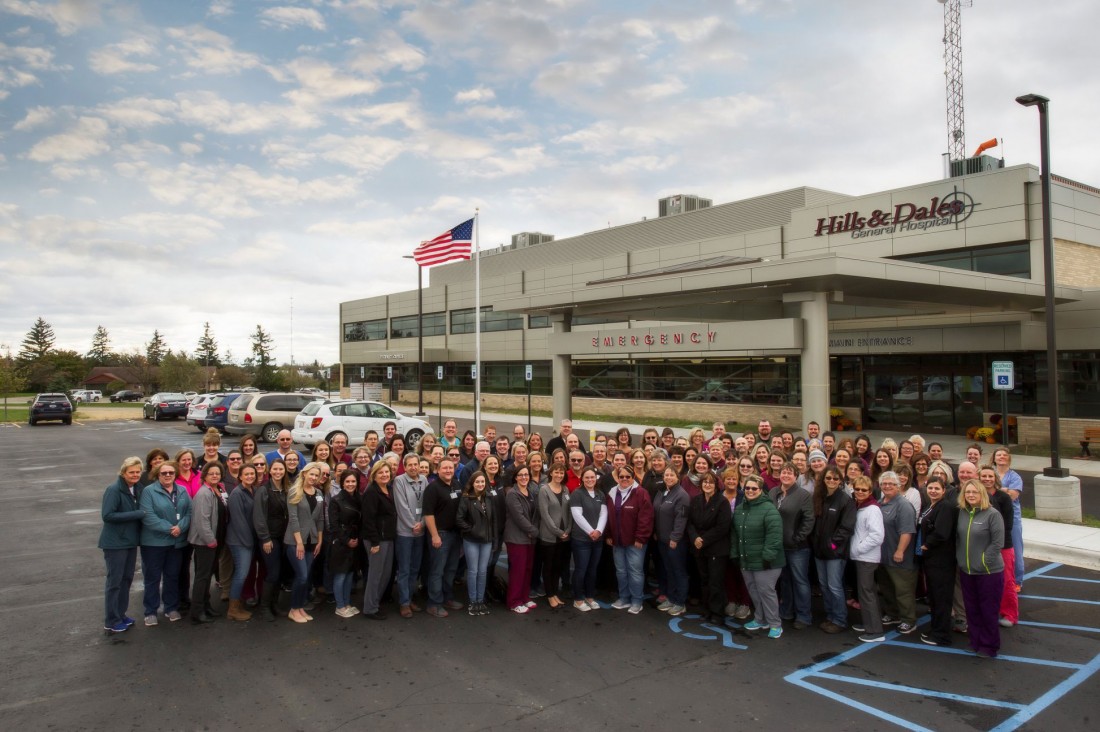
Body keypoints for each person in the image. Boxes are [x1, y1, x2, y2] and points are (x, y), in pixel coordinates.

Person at [730, 475, 785, 639]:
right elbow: (735, 535)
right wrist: (735, 554)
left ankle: (775, 624)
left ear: (761, 490)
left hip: (767, 562)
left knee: (766, 592)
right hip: (746, 560)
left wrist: (768, 557)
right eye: (747, 488)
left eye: (754, 488)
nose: (750, 491)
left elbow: (774, 536)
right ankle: (760, 619)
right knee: (754, 591)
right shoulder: (740, 509)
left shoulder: (769, 510)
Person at [956, 479, 1006, 658]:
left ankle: (989, 645)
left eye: (974, 492)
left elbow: (998, 542)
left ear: (982, 494)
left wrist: (985, 561)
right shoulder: (962, 513)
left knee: (988, 610)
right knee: (972, 608)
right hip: (967, 570)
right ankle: (974, 641)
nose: (970, 495)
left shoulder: (992, 514)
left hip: (989, 572)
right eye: (967, 492)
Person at [139, 459, 191, 626]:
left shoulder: (182, 490)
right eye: (164, 473)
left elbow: (189, 513)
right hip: (154, 544)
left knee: (172, 576)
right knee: (152, 577)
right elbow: (148, 516)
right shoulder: (148, 491)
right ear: (157, 474)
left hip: (176, 543)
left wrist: (180, 527)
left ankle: (171, 607)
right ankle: (151, 611)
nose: (168, 475)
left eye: (171, 473)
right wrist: (170, 528)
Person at [99, 457, 146, 633]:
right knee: (115, 582)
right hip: (115, 543)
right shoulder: (113, 490)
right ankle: (111, 620)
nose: (135, 475)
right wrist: (136, 514)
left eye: (137, 472)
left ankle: (121, 613)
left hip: (130, 542)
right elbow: (108, 515)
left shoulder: (138, 488)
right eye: (131, 472)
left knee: (127, 580)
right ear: (123, 472)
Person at [811, 466, 855, 633]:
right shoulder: (819, 498)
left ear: (840, 481)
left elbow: (847, 527)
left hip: (835, 553)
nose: (831, 481)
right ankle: (830, 616)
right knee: (824, 585)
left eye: (835, 479)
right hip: (819, 552)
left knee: (835, 586)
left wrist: (833, 545)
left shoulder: (845, 500)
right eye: (828, 478)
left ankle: (840, 619)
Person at [770, 461, 814, 630]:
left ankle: (804, 615)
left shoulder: (803, 495)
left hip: (797, 548)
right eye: (783, 472)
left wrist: (797, 538)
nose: (786, 475)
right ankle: (786, 611)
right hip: (778, 546)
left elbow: (809, 520)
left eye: (790, 473)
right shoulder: (774, 492)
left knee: (800, 581)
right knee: (785, 580)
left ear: (796, 476)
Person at [605, 466, 654, 615]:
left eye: (628, 476)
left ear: (633, 477)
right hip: (617, 540)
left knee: (635, 572)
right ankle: (624, 597)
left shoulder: (641, 493)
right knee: (621, 571)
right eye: (621, 477)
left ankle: (637, 601)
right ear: (617, 478)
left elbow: (646, 518)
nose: (624, 479)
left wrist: (641, 537)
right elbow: (608, 516)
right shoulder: (612, 493)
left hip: (635, 542)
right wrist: (608, 534)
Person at [876, 471, 918, 634]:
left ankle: (908, 620)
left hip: (899, 557)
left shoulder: (903, 505)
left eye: (891, 484)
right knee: (887, 588)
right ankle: (892, 614)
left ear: (898, 486)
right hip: (882, 555)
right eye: (884, 484)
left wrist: (900, 550)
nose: (887, 486)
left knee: (903, 590)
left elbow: (907, 531)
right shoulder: (880, 503)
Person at [917, 476, 957, 646]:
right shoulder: (930, 505)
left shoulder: (946, 507)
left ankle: (942, 634)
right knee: (934, 596)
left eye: (937, 488)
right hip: (931, 560)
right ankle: (935, 628)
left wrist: (926, 545)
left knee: (941, 597)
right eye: (930, 488)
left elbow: (942, 532)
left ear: (944, 490)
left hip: (941, 560)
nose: (933, 491)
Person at [688, 470, 731, 623]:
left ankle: (717, 613)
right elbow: (690, 523)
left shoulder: (722, 502)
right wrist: (695, 538)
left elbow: (722, 527)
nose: (707, 485)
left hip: (716, 549)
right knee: (704, 580)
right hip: (699, 548)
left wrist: (703, 540)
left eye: (710, 482)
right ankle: (707, 609)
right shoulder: (696, 500)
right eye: (705, 482)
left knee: (715, 582)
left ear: (716, 485)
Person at [284, 462, 326, 624]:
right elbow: (293, 519)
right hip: (295, 542)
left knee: (306, 577)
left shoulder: (319, 493)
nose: (314, 478)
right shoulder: (295, 492)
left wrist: (320, 540)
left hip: (312, 540)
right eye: (312, 474)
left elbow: (320, 519)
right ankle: (293, 609)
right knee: (301, 576)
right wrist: (299, 542)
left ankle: (300, 607)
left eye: (316, 475)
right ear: (304, 474)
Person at [188, 462, 229, 624]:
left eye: (217, 473)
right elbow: (201, 520)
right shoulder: (204, 493)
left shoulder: (218, 489)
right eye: (211, 473)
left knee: (208, 575)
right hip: (206, 542)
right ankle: (197, 611)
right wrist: (210, 540)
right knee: (202, 577)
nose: (214, 476)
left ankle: (206, 606)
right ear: (204, 475)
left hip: (217, 539)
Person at [423, 459, 464, 617]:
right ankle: (434, 603)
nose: (448, 470)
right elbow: (428, 514)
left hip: (455, 534)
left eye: (451, 467)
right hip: (440, 535)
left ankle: (447, 597)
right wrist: (434, 535)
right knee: (437, 571)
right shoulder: (432, 488)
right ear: (437, 470)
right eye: (444, 468)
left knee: (451, 568)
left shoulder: (457, 485)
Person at [978, 466, 1018, 629]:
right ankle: (990, 611)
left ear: (995, 478)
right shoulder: (977, 496)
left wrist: (996, 542)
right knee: (986, 581)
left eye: (990, 476)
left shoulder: (1003, 497)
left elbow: (1008, 524)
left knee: (1007, 580)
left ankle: (1010, 614)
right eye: (983, 476)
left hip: (1003, 545)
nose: (987, 479)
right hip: (982, 545)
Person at [848, 476, 885, 643]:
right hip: (861, 556)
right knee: (866, 593)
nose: (860, 492)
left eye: (864, 490)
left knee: (867, 593)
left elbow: (877, 536)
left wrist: (858, 548)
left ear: (870, 492)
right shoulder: (860, 506)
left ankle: (875, 630)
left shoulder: (872, 509)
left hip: (867, 558)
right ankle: (868, 623)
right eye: (857, 489)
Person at [252, 455, 289, 622]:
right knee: (272, 572)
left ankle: (274, 604)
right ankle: (264, 607)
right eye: (275, 469)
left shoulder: (286, 489)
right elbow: (258, 517)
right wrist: (265, 538)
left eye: (281, 469)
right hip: (270, 538)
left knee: (280, 572)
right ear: (269, 470)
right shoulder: (263, 490)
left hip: (284, 537)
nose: (278, 472)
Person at [392, 453, 428, 618]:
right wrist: (413, 525)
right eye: (410, 465)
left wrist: (422, 524)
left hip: (420, 531)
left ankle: (410, 597)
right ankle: (404, 603)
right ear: (405, 467)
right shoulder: (399, 481)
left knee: (415, 568)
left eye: (416, 464)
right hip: (405, 533)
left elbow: (427, 504)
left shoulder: (424, 480)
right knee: (404, 569)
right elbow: (402, 506)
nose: (414, 467)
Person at [361, 459, 397, 620]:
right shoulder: (371, 492)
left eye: (386, 472)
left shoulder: (388, 489)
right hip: (376, 540)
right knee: (375, 575)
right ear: (374, 475)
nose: (384, 475)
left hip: (388, 537)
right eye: (380, 472)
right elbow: (368, 519)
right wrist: (374, 542)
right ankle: (369, 608)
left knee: (386, 574)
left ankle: (375, 602)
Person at [456, 471, 496, 616]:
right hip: (471, 540)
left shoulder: (489, 498)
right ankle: (473, 601)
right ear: (472, 483)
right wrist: (472, 530)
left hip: (487, 541)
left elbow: (494, 521)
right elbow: (459, 519)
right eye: (477, 482)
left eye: (482, 482)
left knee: (483, 571)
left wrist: (494, 539)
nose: (480, 484)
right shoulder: (466, 498)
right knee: (473, 571)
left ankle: (480, 600)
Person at [654, 466, 691, 616]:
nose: (668, 477)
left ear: (678, 477)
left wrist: (675, 538)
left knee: (678, 571)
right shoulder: (663, 492)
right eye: (666, 475)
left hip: (675, 542)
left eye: (672, 475)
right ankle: (671, 597)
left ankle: (680, 602)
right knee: (668, 570)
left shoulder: (682, 495)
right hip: (662, 540)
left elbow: (681, 519)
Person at [569, 467, 607, 612]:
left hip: (597, 539)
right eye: (587, 477)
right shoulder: (577, 494)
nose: (590, 480)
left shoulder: (600, 494)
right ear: (582, 479)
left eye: (592, 477)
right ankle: (578, 599)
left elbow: (604, 514)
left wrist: (598, 531)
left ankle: (590, 596)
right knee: (581, 569)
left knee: (592, 569)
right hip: (581, 539)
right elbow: (577, 516)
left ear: (596, 479)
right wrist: (591, 531)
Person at [537, 464, 573, 609]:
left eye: (561, 472)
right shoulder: (544, 490)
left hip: (564, 535)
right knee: (549, 566)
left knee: (558, 565)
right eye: (556, 472)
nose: (559, 475)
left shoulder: (565, 489)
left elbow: (569, 511)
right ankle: (550, 594)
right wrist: (558, 531)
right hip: (550, 535)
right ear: (550, 473)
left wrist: (568, 529)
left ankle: (555, 592)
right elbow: (544, 515)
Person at [504, 465, 540, 614]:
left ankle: (524, 597)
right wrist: (533, 531)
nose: (524, 477)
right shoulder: (512, 493)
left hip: (529, 538)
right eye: (521, 475)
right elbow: (518, 516)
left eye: (526, 475)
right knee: (518, 570)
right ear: (515, 477)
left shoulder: (530, 492)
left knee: (527, 569)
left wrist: (533, 531)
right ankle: (514, 601)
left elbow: (535, 514)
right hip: (517, 538)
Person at [225, 463, 258, 621]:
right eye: (246, 474)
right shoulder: (237, 494)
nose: (250, 476)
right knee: (241, 574)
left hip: (249, 539)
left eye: (252, 474)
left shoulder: (253, 490)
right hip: (240, 541)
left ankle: (237, 604)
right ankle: (233, 609)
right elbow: (238, 521)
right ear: (240, 476)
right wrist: (249, 543)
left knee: (242, 573)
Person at [990, 447, 1025, 592]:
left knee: (1015, 548)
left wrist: (997, 489)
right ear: (994, 458)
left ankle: (1017, 580)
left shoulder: (1014, 476)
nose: (1002, 457)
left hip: (1011, 517)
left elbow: (1013, 495)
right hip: (991, 516)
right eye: (998, 454)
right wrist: (1004, 489)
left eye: (1005, 455)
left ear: (1009, 458)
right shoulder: (990, 473)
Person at [329, 471, 362, 618]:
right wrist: (347, 540)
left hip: (356, 540)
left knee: (350, 574)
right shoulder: (336, 500)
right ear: (342, 483)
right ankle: (340, 605)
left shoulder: (360, 498)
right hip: (341, 542)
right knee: (341, 575)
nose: (350, 484)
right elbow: (334, 526)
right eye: (347, 481)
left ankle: (347, 603)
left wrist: (357, 538)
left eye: (353, 481)